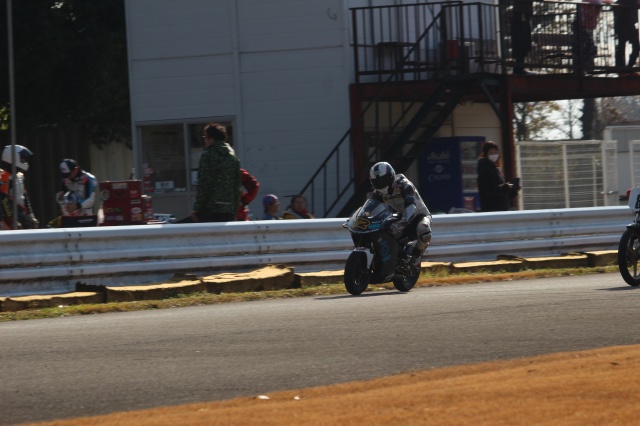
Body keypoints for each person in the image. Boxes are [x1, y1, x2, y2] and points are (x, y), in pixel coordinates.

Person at [368, 162, 432, 268]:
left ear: (391, 177)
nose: (380, 185)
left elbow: (412, 207)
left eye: (382, 181)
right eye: (376, 182)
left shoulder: (404, 185)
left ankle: (417, 255)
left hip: (419, 215)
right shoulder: (378, 193)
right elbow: (369, 208)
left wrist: (400, 224)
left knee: (424, 228)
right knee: (382, 227)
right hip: (400, 214)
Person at [191, 123, 241, 223]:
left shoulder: (207, 156)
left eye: (205, 137)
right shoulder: (233, 159)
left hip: (210, 210)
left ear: (211, 139)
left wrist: (197, 208)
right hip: (228, 210)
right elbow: (237, 187)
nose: (204, 140)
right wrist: (234, 210)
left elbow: (204, 184)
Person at [0, 144, 39, 229]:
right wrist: (11, 219)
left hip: (21, 214)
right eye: (22, 159)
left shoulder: (20, 177)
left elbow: (25, 197)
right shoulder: (4, 177)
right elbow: (4, 200)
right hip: (8, 218)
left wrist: (30, 216)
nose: (24, 161)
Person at [477, 141, 520, 212]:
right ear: (486, 154)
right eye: (491, 153)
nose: (494, 155)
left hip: (499, 210)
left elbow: (502, 194)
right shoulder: (485, 170)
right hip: (492, 211)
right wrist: (506, 187)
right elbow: (491, 191)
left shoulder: (495, 169)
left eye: (496, 152)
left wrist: (513, 188)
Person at [613, 0, 640, 75]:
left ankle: (625, 68)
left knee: (624, 47)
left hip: (628, 24)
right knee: (628, 46)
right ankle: (626, 67)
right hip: (625, 24)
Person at [509, 0, 534, 75]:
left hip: (522, 14)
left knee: (523, 42)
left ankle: (519, 67)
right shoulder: (520, 13)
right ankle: (519, 68)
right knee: (522, 41)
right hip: (522, 14)